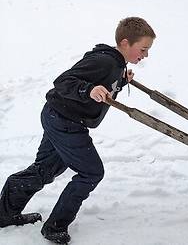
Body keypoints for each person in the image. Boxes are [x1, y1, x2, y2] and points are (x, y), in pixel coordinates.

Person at [0, 17, 156, 244]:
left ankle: (4, 213)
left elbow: (102, 82)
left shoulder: (116, 64)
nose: (145, 55)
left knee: (45, 169)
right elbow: (63, 81)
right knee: (91, 172)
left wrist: (120, 82)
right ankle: (55, 227)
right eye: (143, 49)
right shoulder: (104, 61)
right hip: (64, 121)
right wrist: (88, 90)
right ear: (125, 43)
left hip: (59, 116)